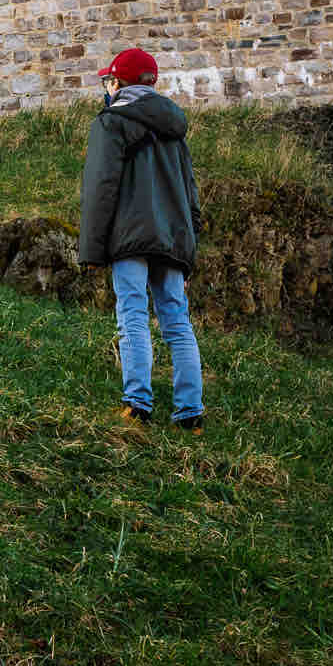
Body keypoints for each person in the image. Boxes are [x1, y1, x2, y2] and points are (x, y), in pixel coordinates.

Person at [77, 47, 206, 433]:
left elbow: (101, 188)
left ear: (119, 83)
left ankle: (138, 404)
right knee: (177, 322)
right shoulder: (174, 130)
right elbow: (191, 195)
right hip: (172, 239)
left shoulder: (111, 122)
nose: (107, 87)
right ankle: (190, 413)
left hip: (129, 238)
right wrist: (188, 253)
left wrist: (92, 249)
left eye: (109, 80)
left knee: (132, 315)